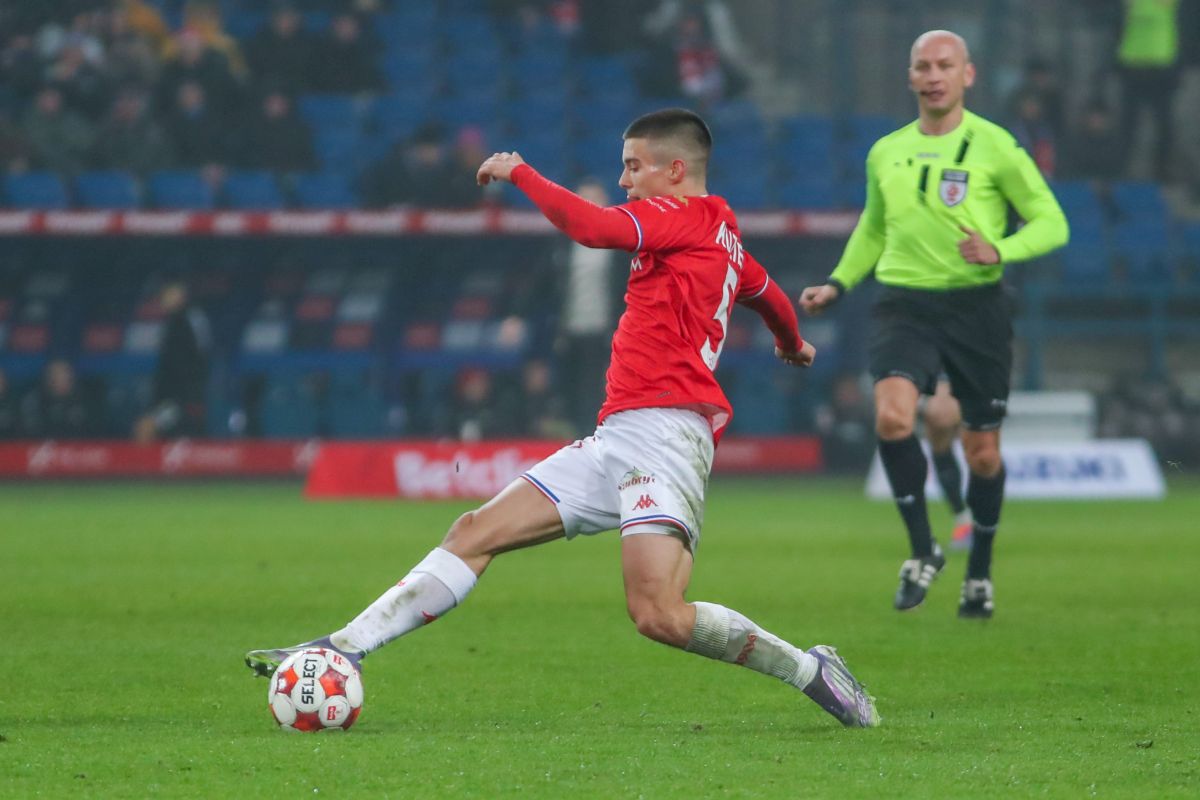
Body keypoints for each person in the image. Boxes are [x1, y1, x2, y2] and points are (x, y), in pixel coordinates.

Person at [246, 108, 879, 728]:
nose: (625, 180)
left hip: (664, 437)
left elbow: (594, 228)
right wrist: (792, 343)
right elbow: (767, 294)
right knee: (473, 532)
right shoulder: (723, 236)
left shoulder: (678, 215)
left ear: (675, 171)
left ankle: (810, 670)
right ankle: (342, 647)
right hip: (618, 436)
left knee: (658, 613)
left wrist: (521, 172)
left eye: (633, 167)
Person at [800, 31, 1068, 618]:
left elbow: (1053, 222)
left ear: (967, 75)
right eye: (923, 66)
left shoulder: (996, 146)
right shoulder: (886, 151)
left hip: (976, 309)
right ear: (910, 77)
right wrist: (839, 283)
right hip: (904, 303)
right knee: (893, 418)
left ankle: (980, 572)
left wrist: (1000, 249)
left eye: (945, 65)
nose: (933, 75)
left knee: (983, 455)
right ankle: (924, 551)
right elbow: (874, 227)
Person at [135, 281, 211, 441]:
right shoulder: (172, 322)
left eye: (168, 294)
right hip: (170, 399)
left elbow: (198, 360)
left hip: (183, 402)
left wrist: (189, 398)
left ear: (180, 294)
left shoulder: (190, 319)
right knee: (147, 426)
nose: (164, 299)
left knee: (146, 427)